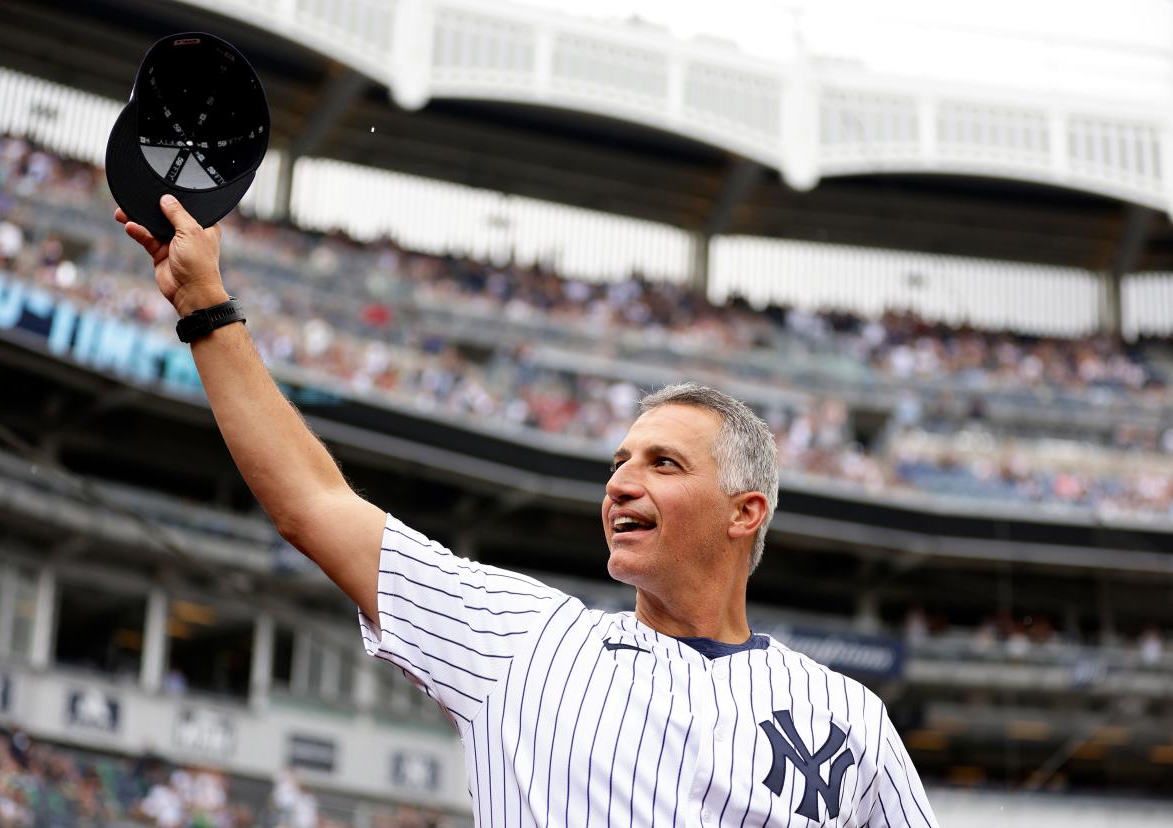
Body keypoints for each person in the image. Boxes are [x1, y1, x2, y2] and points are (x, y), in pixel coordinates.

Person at [118, 196, 938, 827]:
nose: (620, 483)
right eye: (618, 463)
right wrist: (206, 307)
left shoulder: (847, 715)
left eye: (662, 463)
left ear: (744, 511)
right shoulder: (523, 640)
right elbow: (314, 505)